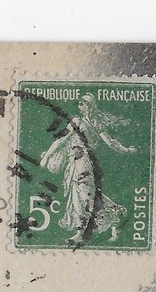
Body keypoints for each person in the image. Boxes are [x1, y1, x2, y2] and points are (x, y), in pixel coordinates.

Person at [40, 93, 136, 244]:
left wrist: (127, 150)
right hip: (75, 162)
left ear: (90, 106)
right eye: (79, 104)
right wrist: (47, 157)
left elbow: (110, 142)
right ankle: (115, 217)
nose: (80, 106)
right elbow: (61, 139)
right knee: (89, 195)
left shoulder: (89, 123)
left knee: (82, 196)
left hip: (82, 163)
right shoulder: (80, 122)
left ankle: (81, 233)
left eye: (83, 104)